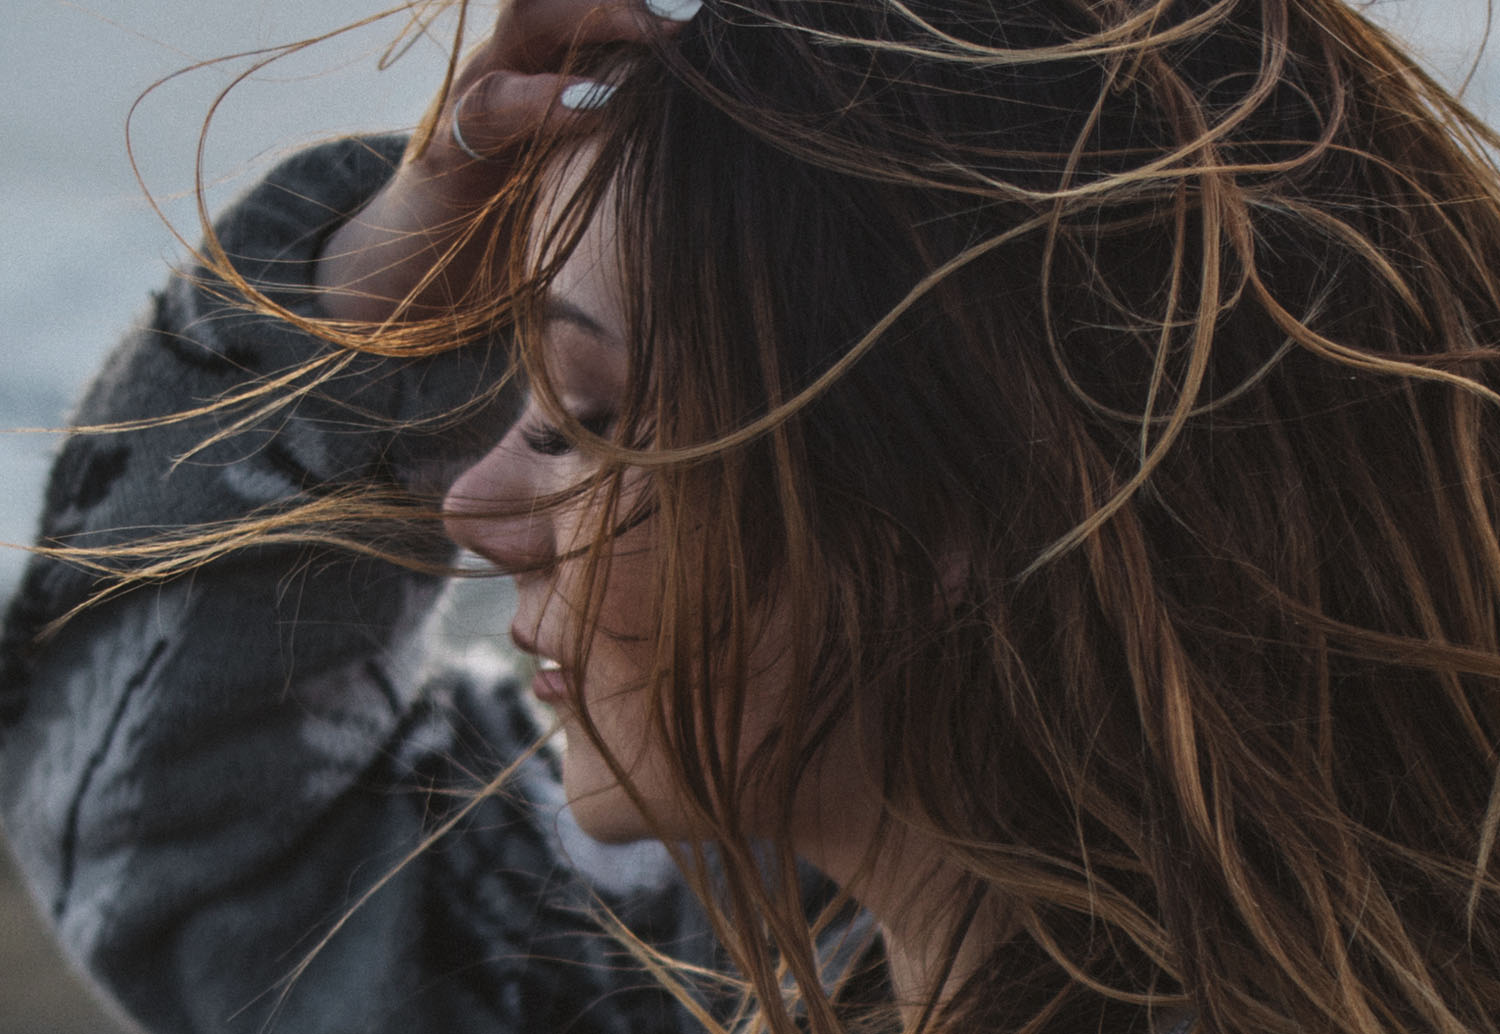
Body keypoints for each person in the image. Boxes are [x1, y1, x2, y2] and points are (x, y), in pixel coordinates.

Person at [4, 0, 1500, 1032]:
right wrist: (365, 296)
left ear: (960, 493)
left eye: (585, 415)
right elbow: (219, 874)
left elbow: (194, 856)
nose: (471, 507)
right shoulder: (770, 951)